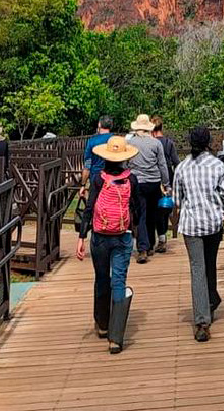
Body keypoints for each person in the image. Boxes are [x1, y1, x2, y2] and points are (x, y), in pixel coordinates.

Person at [76, 135, 139, 354]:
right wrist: (136, 233)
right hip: (123, 235)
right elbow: (137, 209)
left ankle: (102, 324)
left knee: (102, 278)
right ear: (124, 157)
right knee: (119, 281)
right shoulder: (131, 180)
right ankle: (116, 337)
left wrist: (81, 237)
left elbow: (89, 207)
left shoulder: (98, 179)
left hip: (100, 236)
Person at [174, 126, 224, 342]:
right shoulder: (217, 165)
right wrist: (218, 207)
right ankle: (210, 302)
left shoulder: (182, 167)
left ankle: (202, 321)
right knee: (210, 263)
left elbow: (177, 200)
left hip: (191, 225)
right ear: (208, 142)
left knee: (197, 269)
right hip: (213, 223)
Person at [125, 114, 169, 264]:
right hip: (154, 182)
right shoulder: (156, 143)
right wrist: (166, 183)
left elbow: (125, 163)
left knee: (141, 215)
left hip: (137, 182)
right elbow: (162, 164)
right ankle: (150, 244)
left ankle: (143, 248)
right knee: (152, 213)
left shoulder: (131, 143)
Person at [151, 115, 180, 253]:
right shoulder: (169, 143)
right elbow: (176, 162)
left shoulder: (151, 143)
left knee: (154, 209)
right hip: (168, 177)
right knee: (164, 209)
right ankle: (162, 238)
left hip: (153, 178)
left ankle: (156, 238)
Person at [81, 116, 114, 195]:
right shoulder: (115, 140)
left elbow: (87, 165)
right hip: (112, 178)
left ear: (99, 125)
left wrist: (83, 184)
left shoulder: (92, 141)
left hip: (96, 177)